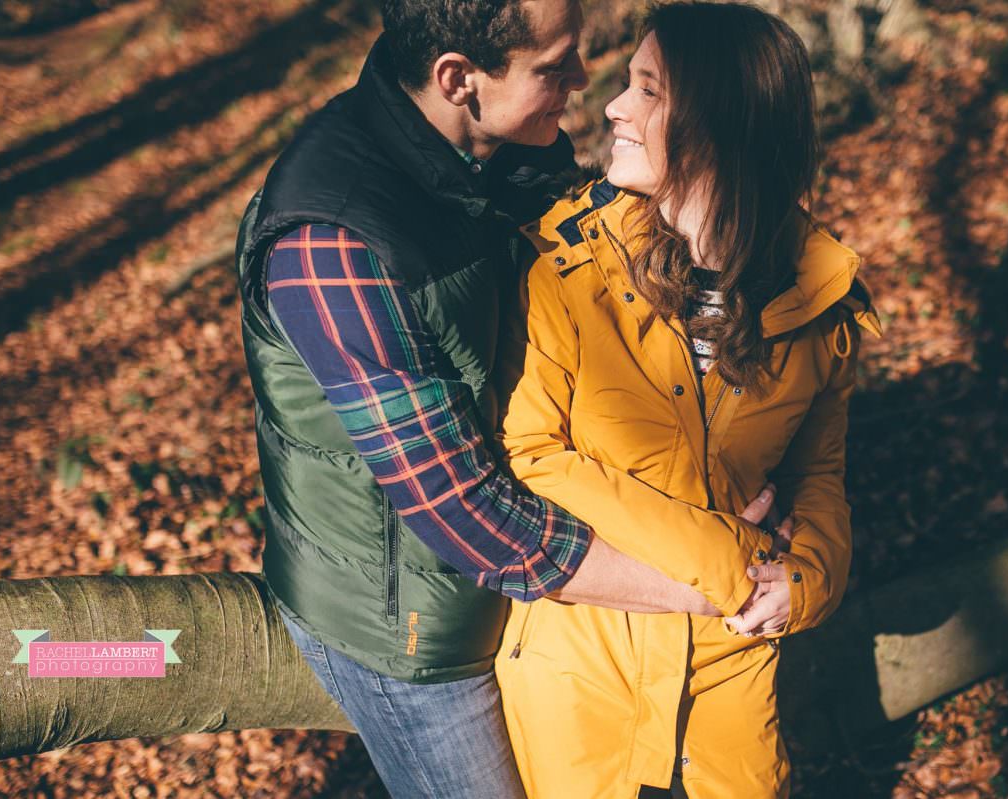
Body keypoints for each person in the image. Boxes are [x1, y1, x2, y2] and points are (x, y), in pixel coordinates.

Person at [234, 1, 788, 796]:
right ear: (457, 78)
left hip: (536, 569)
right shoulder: (334, 238)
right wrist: (716, 579)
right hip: (411, 621)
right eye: (553, 66)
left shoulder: (499, 154)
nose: (583, 80)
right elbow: (464, 512)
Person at [493, 3, 885, 797]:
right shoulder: (566, 266)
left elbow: (821, 477)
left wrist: (807, 580)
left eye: (647, 90)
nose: (613, 107)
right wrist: (731, 560)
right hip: (585, 677)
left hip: (730, 675)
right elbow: (534, 457)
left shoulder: (821, 300)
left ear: (718, 124)